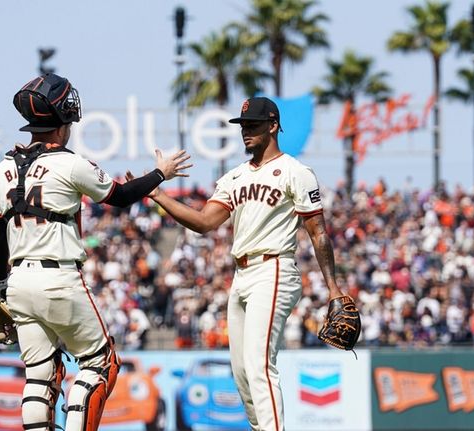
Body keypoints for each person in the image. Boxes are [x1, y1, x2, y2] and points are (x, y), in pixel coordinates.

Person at [0, 73, 191, 431]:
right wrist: (161, 172)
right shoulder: (70, 163)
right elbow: (121, 197)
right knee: (100, 363)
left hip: (17, 283)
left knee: (38, 375)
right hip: (59, 277)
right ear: (64, 118)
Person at [148, 96, 352, 431]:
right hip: (242, 274)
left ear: (273, 126)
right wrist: (160, 196)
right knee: (242, 373)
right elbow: (203, 222)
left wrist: (333, 289)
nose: (246, 132)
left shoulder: (296, 172)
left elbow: (318, 233)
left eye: (253, 125)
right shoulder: (234, 177)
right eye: (243, 126)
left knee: (259, 365)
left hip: (274, 269)